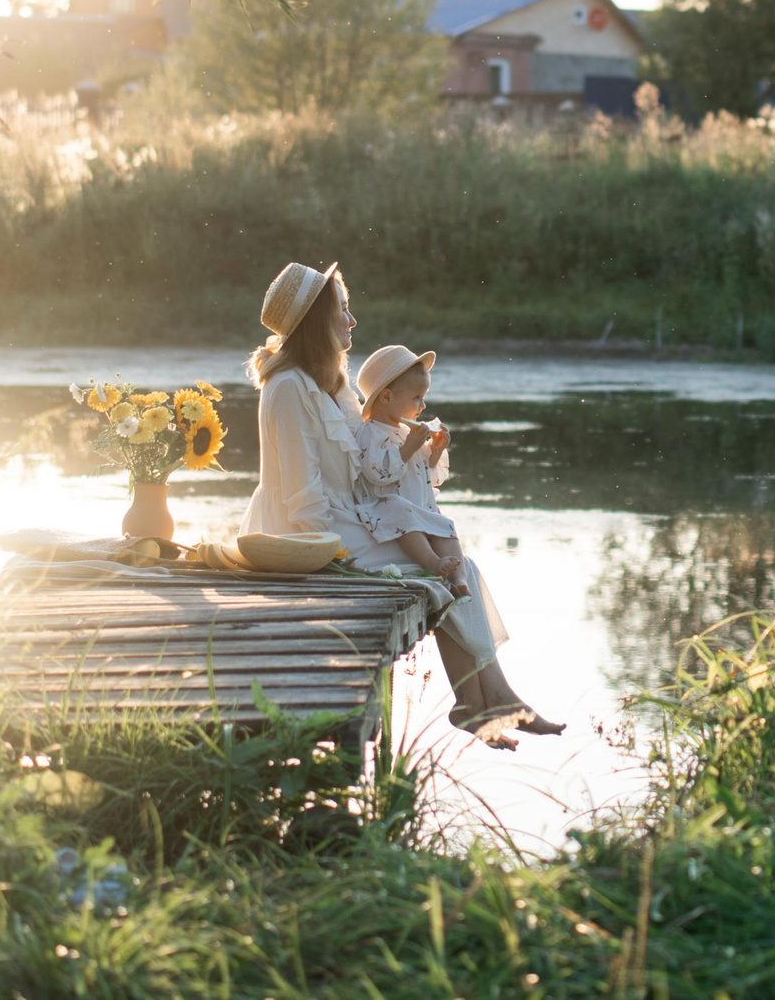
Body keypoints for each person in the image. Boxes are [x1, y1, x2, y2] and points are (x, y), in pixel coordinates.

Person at [241, 260, 562, 745]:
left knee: (456, 565)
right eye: (342, 310)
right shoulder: (287, 387)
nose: (351, 321)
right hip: (308, 531)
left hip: (346, 516)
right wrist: (330, 558)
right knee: (441, 569)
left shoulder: (333, 384)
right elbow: (301, 492)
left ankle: (483, 700)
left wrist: (416, 457)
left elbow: (367, 466)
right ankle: (487, 700)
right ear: (316, 321)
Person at [349, 343, 468, 594]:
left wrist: (435, 451)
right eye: (416, 398)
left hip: (417, 504)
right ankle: (433, 562)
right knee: (400, 512)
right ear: (386, 397)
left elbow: (426, 474)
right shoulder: (370, 432)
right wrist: (409, 448)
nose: (422, 405)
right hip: (385, 506)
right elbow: (377, 473)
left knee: (444, 524)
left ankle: (460, 580)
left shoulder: (406, 431)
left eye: (423, 397)